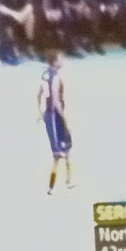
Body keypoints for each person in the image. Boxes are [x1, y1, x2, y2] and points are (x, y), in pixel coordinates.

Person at [38, 51, 74, 194]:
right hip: (54, 116)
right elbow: (56, 101)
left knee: (66, 147)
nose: (63, 60)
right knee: (58, 152)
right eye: (61, 58)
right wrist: (65, 119)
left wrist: (40, 112)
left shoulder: (44, 75)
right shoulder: (56, 77)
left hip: (49, 115)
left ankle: (67, 181)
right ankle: (52, 186)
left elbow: (39, 94)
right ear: (54, 62)